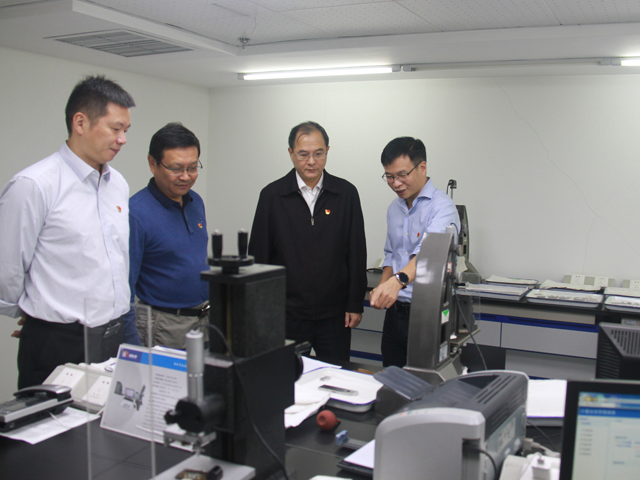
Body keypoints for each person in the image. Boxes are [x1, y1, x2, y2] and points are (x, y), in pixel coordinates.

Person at [0, 75, 135, 388]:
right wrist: (34, 312)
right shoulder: (35, 185)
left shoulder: (118, 184)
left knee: (108, 418)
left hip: (112, 335)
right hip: (57, 340)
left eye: (126, 131)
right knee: (50, 419)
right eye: (115, 129)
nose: (122, 139)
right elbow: (7, 270)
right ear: (80, 122)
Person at [249, 121, 367, 361]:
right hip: (286, 314)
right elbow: (259, 257)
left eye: (318, 154)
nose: (311, 161)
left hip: (335, 315)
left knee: (336, 377)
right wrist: (261, 310)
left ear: (327, 151)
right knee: (285, 378)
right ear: (291, 153)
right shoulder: (272, 196)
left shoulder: (346, 194)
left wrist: (355, 303)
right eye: (303, 154)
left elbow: (356, 252)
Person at [369, 137, 460, 368]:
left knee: (425, 381)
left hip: (427, 314)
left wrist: (397, 281)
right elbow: (392, 254)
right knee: (392, 377)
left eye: (402, 175)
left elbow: (430, 255)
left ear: (422, 167)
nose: (396, 183)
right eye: (389, 177)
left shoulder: (442, 207)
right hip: (395, 314)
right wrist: (383, 286)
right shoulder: (394, 208)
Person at [126, 123, 209, 349]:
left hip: (203, 320)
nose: (186, 177)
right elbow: (125, 287)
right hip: (163, 324)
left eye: (193, 167)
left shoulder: (195, 201)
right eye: (176, 168)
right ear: (153, 163)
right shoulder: (136, 213)